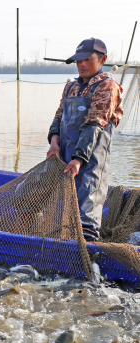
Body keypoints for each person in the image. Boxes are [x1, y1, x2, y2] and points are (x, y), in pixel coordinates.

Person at [46, 38, 123, 241]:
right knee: (25, 196)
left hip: (88, 167)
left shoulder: (107, 87)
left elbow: (94, 125)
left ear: (103, 59)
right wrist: (54, 143)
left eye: (88, 59)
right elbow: (58, 117)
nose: (82, 64)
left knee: (84, 225)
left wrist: (78, 160)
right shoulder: (70, 87)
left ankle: (84, 255)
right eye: (78, 60)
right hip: (62, 160)